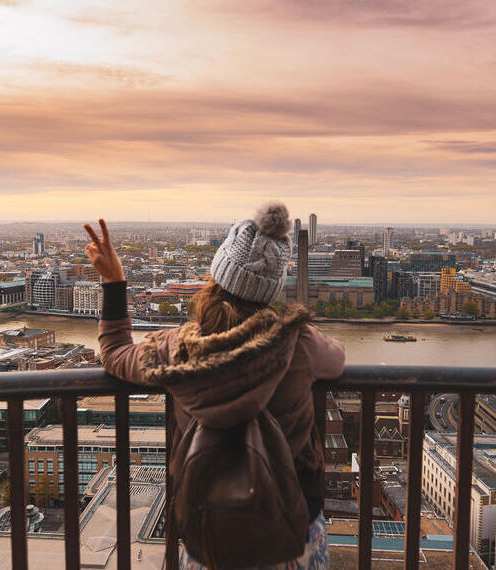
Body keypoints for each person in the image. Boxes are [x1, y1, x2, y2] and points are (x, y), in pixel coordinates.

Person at [85, 202, 346, 569]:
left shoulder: (179, 348)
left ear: (217, 279)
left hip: (209, 531)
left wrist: (113, 282)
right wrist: (298, 327)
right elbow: (338, 359)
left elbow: (114, 353)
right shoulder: (298, 343)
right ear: (271, 289)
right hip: (293, 528)